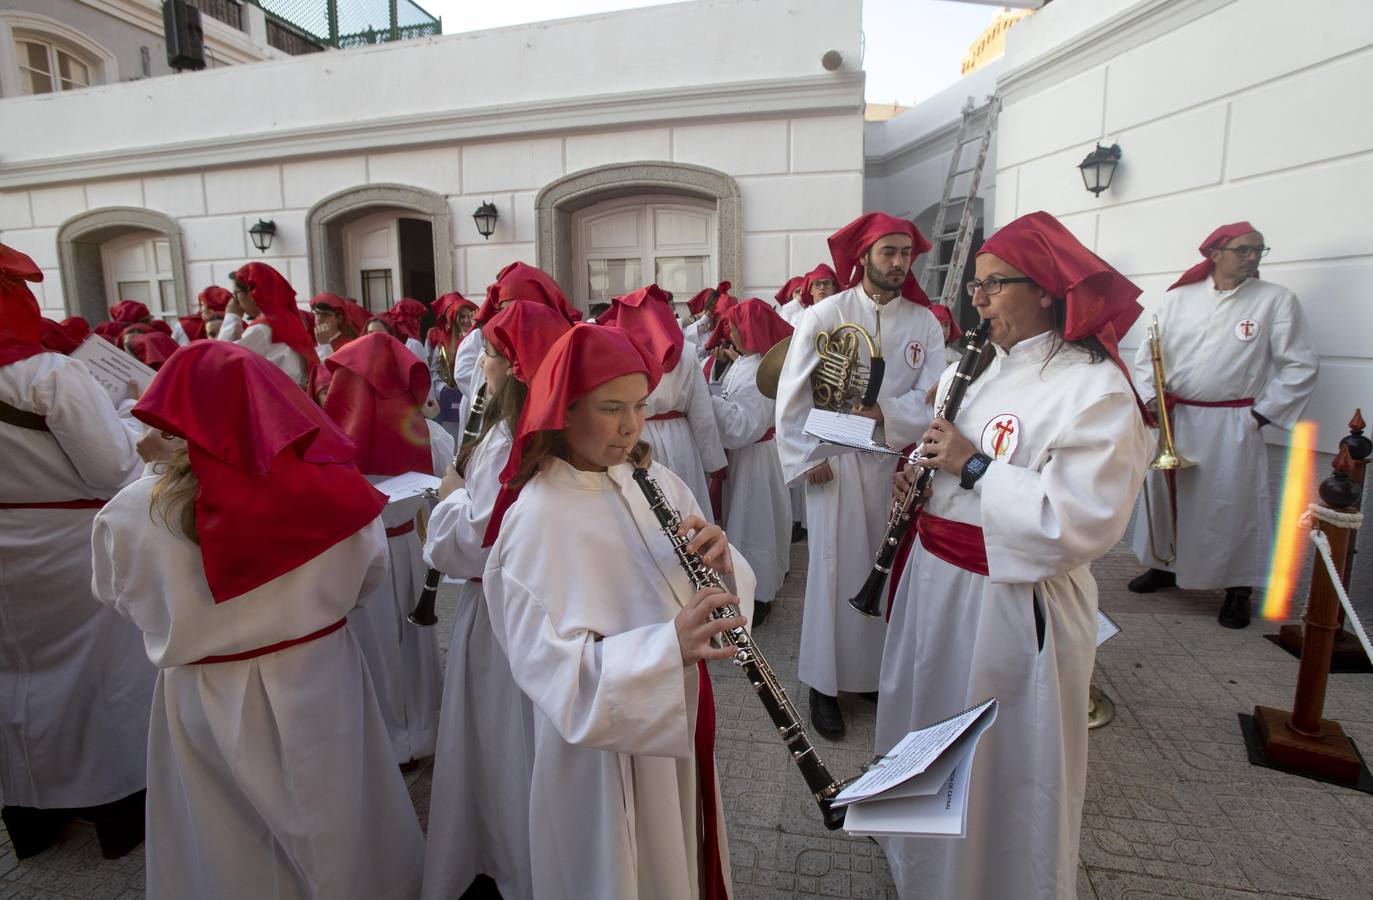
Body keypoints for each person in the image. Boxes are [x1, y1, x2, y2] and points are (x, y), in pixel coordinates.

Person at [877, 210, 1150, 900]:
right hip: (934, 583)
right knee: (927, 726)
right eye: (974, 288)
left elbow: (1076, 520)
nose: (978, 301)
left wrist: (972, 470)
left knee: (1000, 760)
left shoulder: (1094, 390)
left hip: (1008, 599)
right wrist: (918, 473)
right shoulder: (972, 370)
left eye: (994, 286)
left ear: (1049, 292)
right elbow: (943, 455)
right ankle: (920, 864)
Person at [91, 340, 424, 899]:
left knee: (225, 831)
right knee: (339, 811)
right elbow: (368, 582)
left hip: (205, 689)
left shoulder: (132, 511)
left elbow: (117, 596)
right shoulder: (339, 491)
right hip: (318, 673)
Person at [481, 322, 754, 900]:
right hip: (602, 756)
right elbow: (546, 669)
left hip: (674, 713)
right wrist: (663, 649)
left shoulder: (653, 479)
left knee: (681, 853)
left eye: (639, 406)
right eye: (611, 408)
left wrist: (723, 562)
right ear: (565, 410)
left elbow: (702, 582)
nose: (632, 426)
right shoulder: (536, 519)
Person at [0, 244, 154, 860]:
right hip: (68, 545)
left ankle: (29, 815)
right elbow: (112, 468)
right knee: (103, 676)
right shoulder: (46, 375)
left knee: (14, 676)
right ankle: (114, 809)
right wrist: (134, 418)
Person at [774, 212, 945, 740]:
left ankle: (871, 674)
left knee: (885, 567)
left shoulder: (925, 322)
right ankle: (823, 684)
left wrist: (885, 413)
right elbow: (793, 393)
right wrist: (806, 455)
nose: (898, 263)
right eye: (888, 252)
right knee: (831, 571)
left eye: (905, 254)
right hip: (837, 463)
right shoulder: (825, 313)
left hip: (894, 464)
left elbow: (937, 394)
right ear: (865, 256)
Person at [420, 301, 570, 900]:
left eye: (490, 354)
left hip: (501, 615)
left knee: (499, 745)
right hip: (557, 608)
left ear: (511, 366)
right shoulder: (563, 431)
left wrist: (450, 496)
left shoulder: (507, 440)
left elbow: (467, 547)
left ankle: (506, 863)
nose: (480, 365)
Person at [1127, 221, 1318, 628]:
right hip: (1177, 417)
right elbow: (1149, 355)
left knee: (1232, 503)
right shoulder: (1178, 299)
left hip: (1234, 421)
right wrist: (1152, 401)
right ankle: (1165, 565)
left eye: (1258, 251)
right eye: (1243, 250)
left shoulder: (1275, 301)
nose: (1252, 258)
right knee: (1167, 496)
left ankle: (1238, 588)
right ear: (1215, 253)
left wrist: (1262, 414)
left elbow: (1299, 364)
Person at [322, 332, 454, 764]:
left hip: (358, 551)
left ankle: (388, 741)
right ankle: (425, 729)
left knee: (373, 645)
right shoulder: (431, 435)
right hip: (407, 549)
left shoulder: (331, 443)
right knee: (415, 646)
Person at [607, 284, 727, 521]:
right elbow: (701, 413)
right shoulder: (687, 354)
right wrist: (713, 462)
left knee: (644, 514)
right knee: (685, 509)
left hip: (637, 439)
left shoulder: (617, 355)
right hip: (680, 439)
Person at [708, 298, 793, 627]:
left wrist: (708, 401)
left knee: (755, 525)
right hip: (746, 459)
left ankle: (759, 594)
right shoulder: (744, 362)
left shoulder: (762, 369)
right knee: (745, 522)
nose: (728, 330)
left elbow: (743, 427)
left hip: (755, 459)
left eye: (734, 324)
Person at [218, 262, 319, 387]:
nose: (235, 301)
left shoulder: (264, 327)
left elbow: (221, 360)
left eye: (235, 294)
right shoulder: (286, 318)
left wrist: (231, 317)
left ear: (250, 293)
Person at [309, 292, 369, 360]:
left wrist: (324, 344)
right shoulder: (311, 342)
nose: (319, 319)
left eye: (325, 315)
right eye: (317, 313)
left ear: (339, 319)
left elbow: (326, 369)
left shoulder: (348, 345)